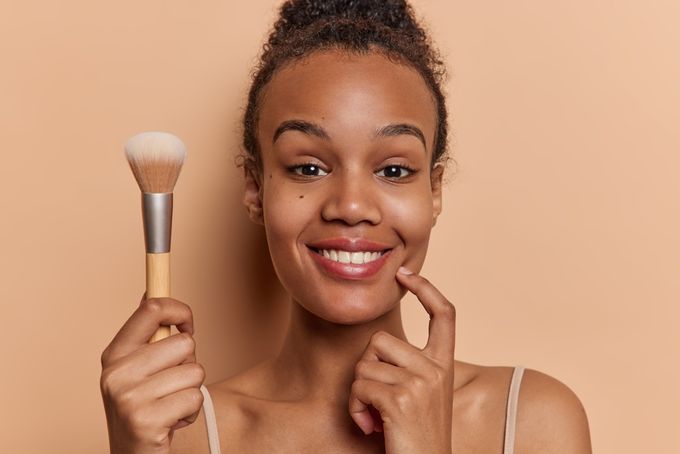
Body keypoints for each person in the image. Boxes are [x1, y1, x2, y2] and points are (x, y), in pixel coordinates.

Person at [100, 1, 593, 452]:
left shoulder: (533, 421)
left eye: (394, 170)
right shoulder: (182, 432)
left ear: (434, 191)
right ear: (255, 190)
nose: (352, 206)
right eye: (309, 168)